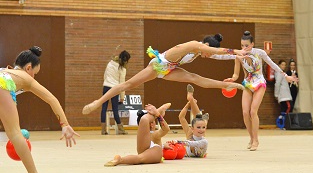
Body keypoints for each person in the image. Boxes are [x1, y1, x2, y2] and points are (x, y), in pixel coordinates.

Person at [82, 34, 249, 115]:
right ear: (205, 45)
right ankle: (98, 102)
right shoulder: (195, 45)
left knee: (195, 78)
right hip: (159, 64)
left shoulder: (199, 51)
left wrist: (237, 56)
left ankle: (226, 84)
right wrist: (236, 51)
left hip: (171, 68)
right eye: (207, 52)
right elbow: (215, 51)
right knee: (129, 84)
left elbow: (218, 54)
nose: (208, 56)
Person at [0, 46, 80, 173]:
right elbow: (52, 99)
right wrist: (65, 124)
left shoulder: (6, 70)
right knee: (15, 133)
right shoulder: (26, 78)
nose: (34, 77)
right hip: (2, 85)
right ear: (28, 68)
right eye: (35, 73)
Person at [211, 31, 298, 151]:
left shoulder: (259, 53)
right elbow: (236, 74)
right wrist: (232, 79)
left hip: (259, 82)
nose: (244, 48)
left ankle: (256, 140)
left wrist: (285, 75)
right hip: (247, 82)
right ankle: (251, 138)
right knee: (245, 113)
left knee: (253, 111)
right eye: (242, 45)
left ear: (252, 44)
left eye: (246, 45)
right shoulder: (239, 55)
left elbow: (272, 64)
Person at [104, 103, 171, 166]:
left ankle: (120, 159)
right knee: (140, 158)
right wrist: (158, 115)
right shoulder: (154, 134)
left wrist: (163, 145)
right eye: (153, 121)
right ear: (151, 124)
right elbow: (166, 129)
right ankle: (120, 160)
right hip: (155, 152)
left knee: (144, 119)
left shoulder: (147, 133)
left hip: (145, 150)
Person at [164, 84, 208, 158]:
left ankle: (191, 99)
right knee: (198, 118)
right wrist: (188, 105)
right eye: (199, 127)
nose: (201, 130)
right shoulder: (189, 133)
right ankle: (191, 100)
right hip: (189, 142)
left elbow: (191, 143)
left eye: (203, 127)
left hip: (192, 146)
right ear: (192, 128)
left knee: (199, 119)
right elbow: (181, 117)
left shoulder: (204, 141)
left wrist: (177, 141)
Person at [100, 50, 131, 135]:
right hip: (115, 88)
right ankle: (120, 129)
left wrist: (106, 82)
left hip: (106, 86)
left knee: (104, 108)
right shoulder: (122, 68)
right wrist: (122, 96)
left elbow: (105, 75)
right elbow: (122, 84)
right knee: (115, 109)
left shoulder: (110, 63)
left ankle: (103, 130)